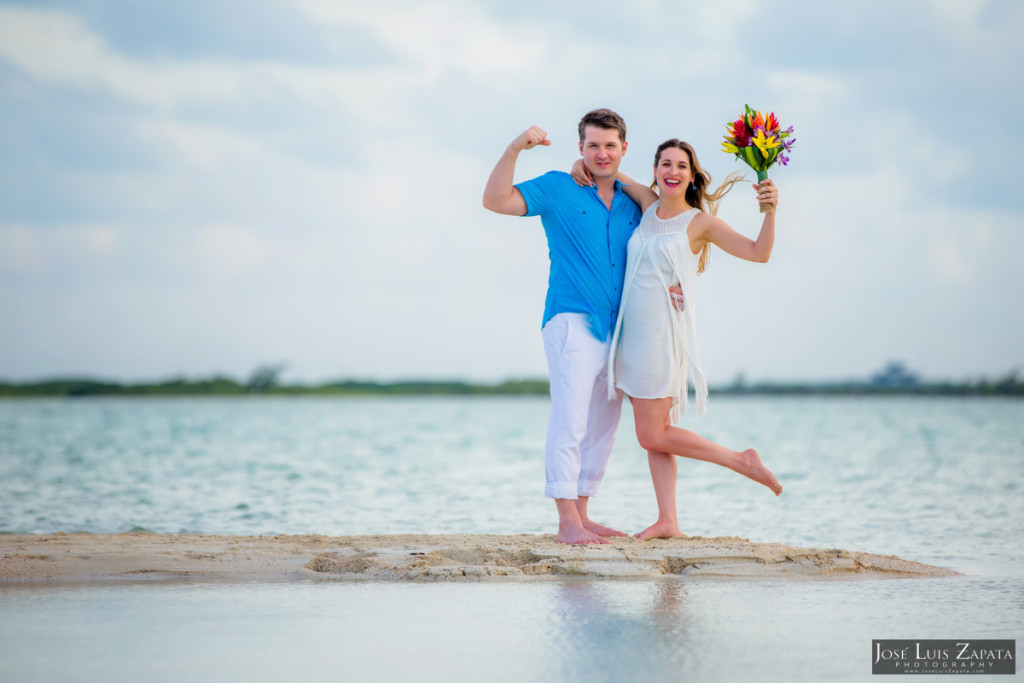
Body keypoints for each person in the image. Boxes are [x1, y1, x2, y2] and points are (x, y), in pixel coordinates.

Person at [572, 138, 783, 540]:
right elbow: (606, 170)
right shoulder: (646, 204)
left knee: (652, 433)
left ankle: (741, 460)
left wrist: (770, 210)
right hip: (629, 337)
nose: (673, 171)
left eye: (682, 166)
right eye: (666, 163)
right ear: (654, 170)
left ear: (692, 175)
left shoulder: (699, 223)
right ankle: (668, 520)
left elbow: (759, 253)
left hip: (661, 336)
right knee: (658, 434)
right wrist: (576, 164)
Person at [482, 109, 642, 545]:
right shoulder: (557, 185)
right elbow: (495, 201)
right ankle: (566, 521)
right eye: (593, 145)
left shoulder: (633, 199)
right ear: (580, 148)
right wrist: (516, 147)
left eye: (610, 145)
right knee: (570, 420)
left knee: (604, 425)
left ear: (624, 149)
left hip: (618, 329)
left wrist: (618, 177)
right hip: (571, 320)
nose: (601, 153)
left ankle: (585, 514)